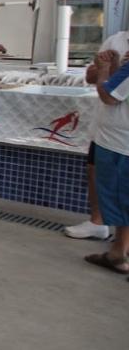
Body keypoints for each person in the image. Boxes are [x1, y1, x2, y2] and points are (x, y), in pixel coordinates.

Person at [64, 30, 129, 240]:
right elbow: (91, 76)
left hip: (122, 133)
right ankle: (98, 223)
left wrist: (107, 72)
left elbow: (110, 96)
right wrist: (108, 68)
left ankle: (120, 249)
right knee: (97, 171)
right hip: (106, 128)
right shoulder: (116, 40)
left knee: (122, 189)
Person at [83, 48, 129, 278]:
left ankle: (119, 254)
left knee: (122, 201)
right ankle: (118, 252)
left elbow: (108, 95)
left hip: (120, 145)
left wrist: (103, 71)